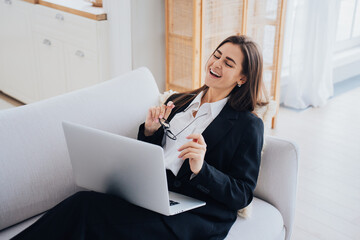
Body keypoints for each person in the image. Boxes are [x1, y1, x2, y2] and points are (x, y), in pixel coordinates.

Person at [13, 35, 267, 240]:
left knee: (87, 210)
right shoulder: (178, 101)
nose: (216, 64)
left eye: (229, 63)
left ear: (242, 78)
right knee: (85, 205)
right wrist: (149, 131)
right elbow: (151, 155)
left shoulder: (248, 125)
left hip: (195, 213)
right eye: (217, 55)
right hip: (153, 194)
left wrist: (202, 169)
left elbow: (243, 194)